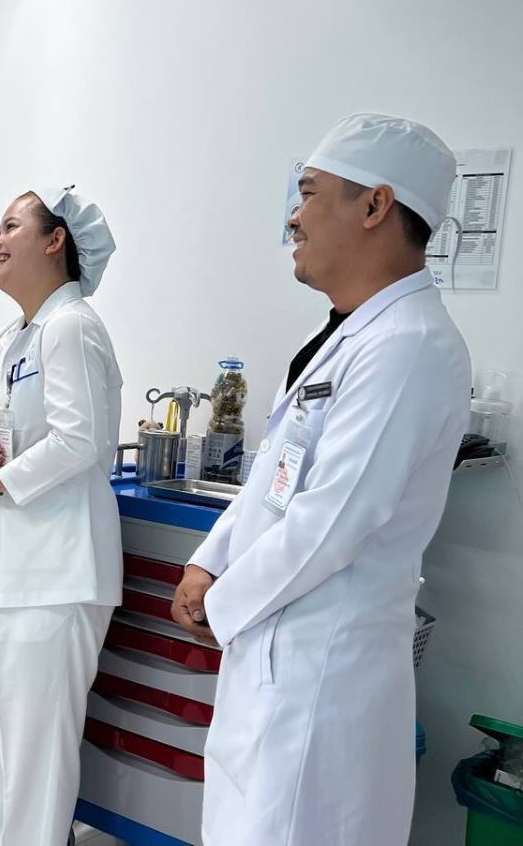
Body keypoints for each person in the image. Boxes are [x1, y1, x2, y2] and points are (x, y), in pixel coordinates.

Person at [171, 113, 472, 846]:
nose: (293, 217)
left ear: (374, 205)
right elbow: (274, 479)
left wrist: (223, 601)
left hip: (322, 678)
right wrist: (210, 558)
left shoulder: (410, 345)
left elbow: (332, 521)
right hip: (277, 658)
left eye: (308, 194)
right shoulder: (338, 336)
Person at [0, 186, 123, 846]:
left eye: (11, 226)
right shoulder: (9, 340)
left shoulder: (71, 325)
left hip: (57, 570)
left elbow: (82, 440)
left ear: (55, 240)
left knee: (37, 750)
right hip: (3, 570)